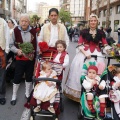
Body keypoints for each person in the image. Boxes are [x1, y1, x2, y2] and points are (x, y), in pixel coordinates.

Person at [64, 13, 111, 102]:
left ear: (97, 22)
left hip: (97, 55)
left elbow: (105, 45)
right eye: (91, 21)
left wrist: (112, 51)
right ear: (89, 22)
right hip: (84, 54)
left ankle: (95, 92)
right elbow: (79, 44)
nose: (93, 22)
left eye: (94, 21)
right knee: (81, 72)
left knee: (98, 74)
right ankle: (80, 94)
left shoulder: (101, 33)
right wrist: (85, 53)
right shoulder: (84, 32)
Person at [10, 13, 37, 105]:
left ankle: (27, 93)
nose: (24, 23)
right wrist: (17, 50)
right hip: (20, 58)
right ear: (19, 21)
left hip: (30, 59)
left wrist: (37, 56)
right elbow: (11, 45)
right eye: (22, 21)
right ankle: (14, 95)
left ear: (29, 22)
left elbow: (36, 45)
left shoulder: (33, 31)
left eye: (26, 21)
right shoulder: (15, 30)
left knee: (29, 76)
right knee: (17, 77)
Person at [0, 17, 10, 105]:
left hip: (1, 53)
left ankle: (2, 96)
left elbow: (7, 37)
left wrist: (6, 51)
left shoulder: (3, 22)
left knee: (1, 76)